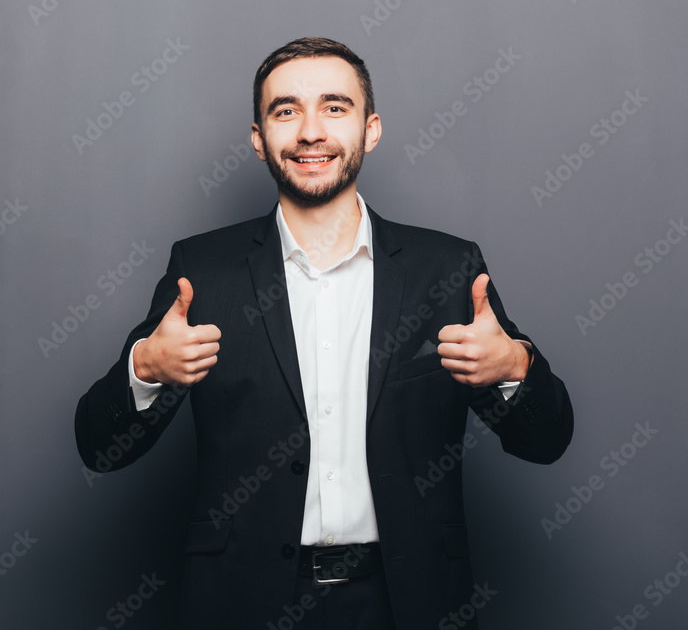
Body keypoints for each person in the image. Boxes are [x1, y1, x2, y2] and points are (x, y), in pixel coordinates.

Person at [74, 37, 573, 630]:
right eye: (286, 111)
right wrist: (145, 370)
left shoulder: (448, 271)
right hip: (244, 602)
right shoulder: (202, 273)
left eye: (335, 107)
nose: (311, 131)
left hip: (408, 602)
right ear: (260, 138)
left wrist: (515, 367)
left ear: (372, 128)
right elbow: (99, 449)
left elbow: (548, 441)